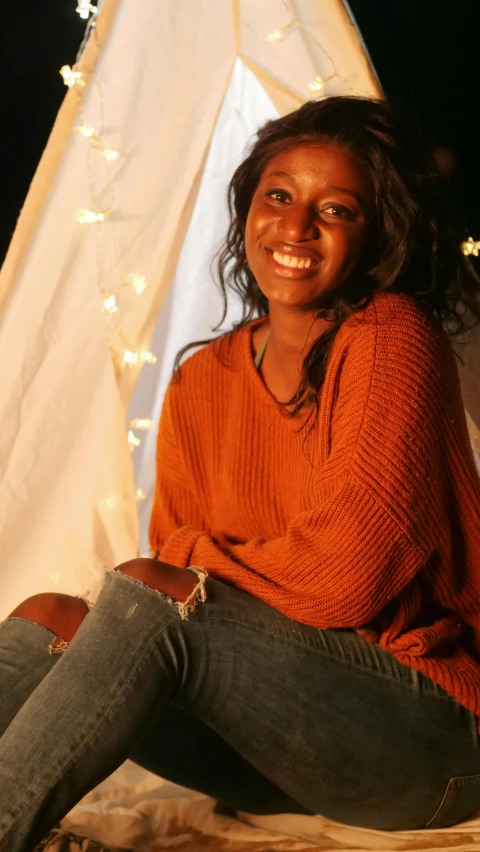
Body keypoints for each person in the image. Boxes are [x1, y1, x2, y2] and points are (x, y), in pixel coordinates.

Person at [1, 95, 480, 851]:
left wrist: (190, 566)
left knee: (152, 593)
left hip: (431, 741)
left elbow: (346, 579)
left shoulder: (392, 339)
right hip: (279, 751)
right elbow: (178, 576)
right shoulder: (202, 382)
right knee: (53, 613)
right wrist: (185, 571)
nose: (295, 229)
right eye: (279, 197)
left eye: (338, 210)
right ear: (247, 209)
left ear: (376, 231)